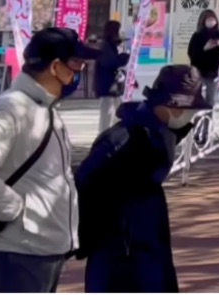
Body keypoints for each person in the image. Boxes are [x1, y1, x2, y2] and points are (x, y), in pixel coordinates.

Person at [0, 27, 85, 293]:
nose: (77, 73)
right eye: (76, 65)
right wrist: (14, 209)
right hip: (16, 252)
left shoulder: (44, 108)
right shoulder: (11, 108)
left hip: (42, 248)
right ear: (55, 67)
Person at [73, 64, 208, 293]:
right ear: (170, 104)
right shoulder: (122, 139)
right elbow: (84, 184)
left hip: (148, 240)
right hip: (119, 249)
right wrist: (88, 238)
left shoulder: (157, 132)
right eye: (188, 110)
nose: (189, 116)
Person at [92, 22, 128, 135]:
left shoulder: (110, 45)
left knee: (117, 113)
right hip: (107, 86)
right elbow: (111, 62)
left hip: (112, 87)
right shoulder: (106, 46)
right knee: (107, 116)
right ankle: (104, 137)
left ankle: (115, 135)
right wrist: (124, 56)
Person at [184, 12, 219, 109]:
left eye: (213, 19)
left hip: (214, 72)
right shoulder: (197, 35)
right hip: (199, 71)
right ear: (203, 21)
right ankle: (197, 119)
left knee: (211, 100)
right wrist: (204, 49)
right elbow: (191, 53)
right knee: (196, 98)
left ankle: (209, 120)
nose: (211, 21)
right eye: (208, 19)